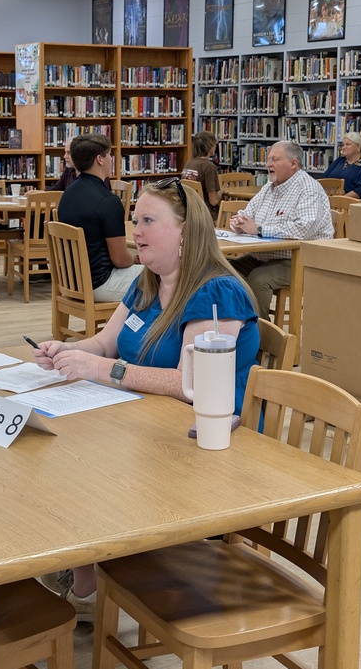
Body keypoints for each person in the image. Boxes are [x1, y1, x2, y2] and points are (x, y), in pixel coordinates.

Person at [31, 178, 260, 619]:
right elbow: (103, 344)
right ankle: (86, 575)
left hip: (206, 446)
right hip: (145, 427)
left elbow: (186, 384)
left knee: (78, 465)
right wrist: (67, 350)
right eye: (134, 220)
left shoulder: (217, 293)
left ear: (186, 234)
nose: (135, 231)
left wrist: (103, 371)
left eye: (148, 221)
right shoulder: (149, 281)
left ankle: (89, 585)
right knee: (59, 457)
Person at [229, 140, 334, 319]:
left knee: (258, 280)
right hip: (266, 255)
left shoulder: (308, 189)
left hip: (300, 260)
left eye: (275, 160)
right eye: (268, 159)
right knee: (225, 269)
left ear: (293, 164)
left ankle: (261, 337)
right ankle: (234, 324)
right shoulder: (269, 188)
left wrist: (258, 229)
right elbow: (247, 214)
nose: (268, 164)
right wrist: (239, 223)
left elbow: (303, 229)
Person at [57, 133, 141, 302]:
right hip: (100, 284)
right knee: (166, 275)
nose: (111, 159)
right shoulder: (108, 201)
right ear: (100, 159)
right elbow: (120, 260)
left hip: (72, 282)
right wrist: (134, 259)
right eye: (109, 154)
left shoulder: (67, 194)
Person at [320, 131, 361, 202]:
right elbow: (324, 179)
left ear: (358, 147)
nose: (344, 147)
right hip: (331, 201)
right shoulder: (339, 161)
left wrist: (339, 200)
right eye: (343, 145)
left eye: (347, 144)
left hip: (353, 205)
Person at [181, 130, 222, 221]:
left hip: (190, 212)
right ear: (210, 146)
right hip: (207, 215)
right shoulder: (209, 167)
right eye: (215, 145)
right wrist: (221, 192)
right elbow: (213, 201)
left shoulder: (189, 163)